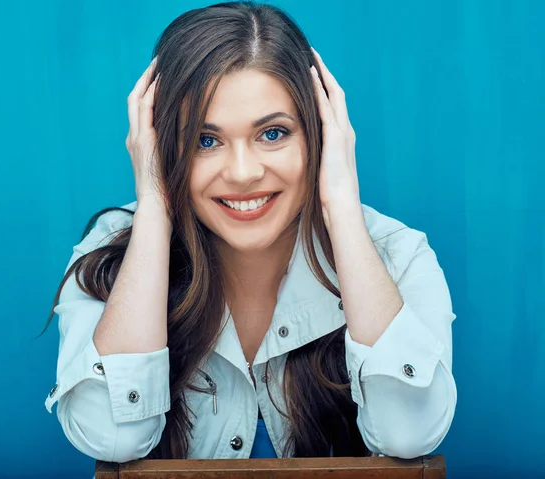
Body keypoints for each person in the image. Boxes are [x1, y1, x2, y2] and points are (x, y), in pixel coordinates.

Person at [42, 0, 457, 464]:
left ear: (320, 134)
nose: (242, 173)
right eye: (205, 140)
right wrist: (157, 207)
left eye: (273, 133)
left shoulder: (396, 255)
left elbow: (410, 435)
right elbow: (110, 438)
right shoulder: (114, 251)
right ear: (160, 146)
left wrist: (341, 206)